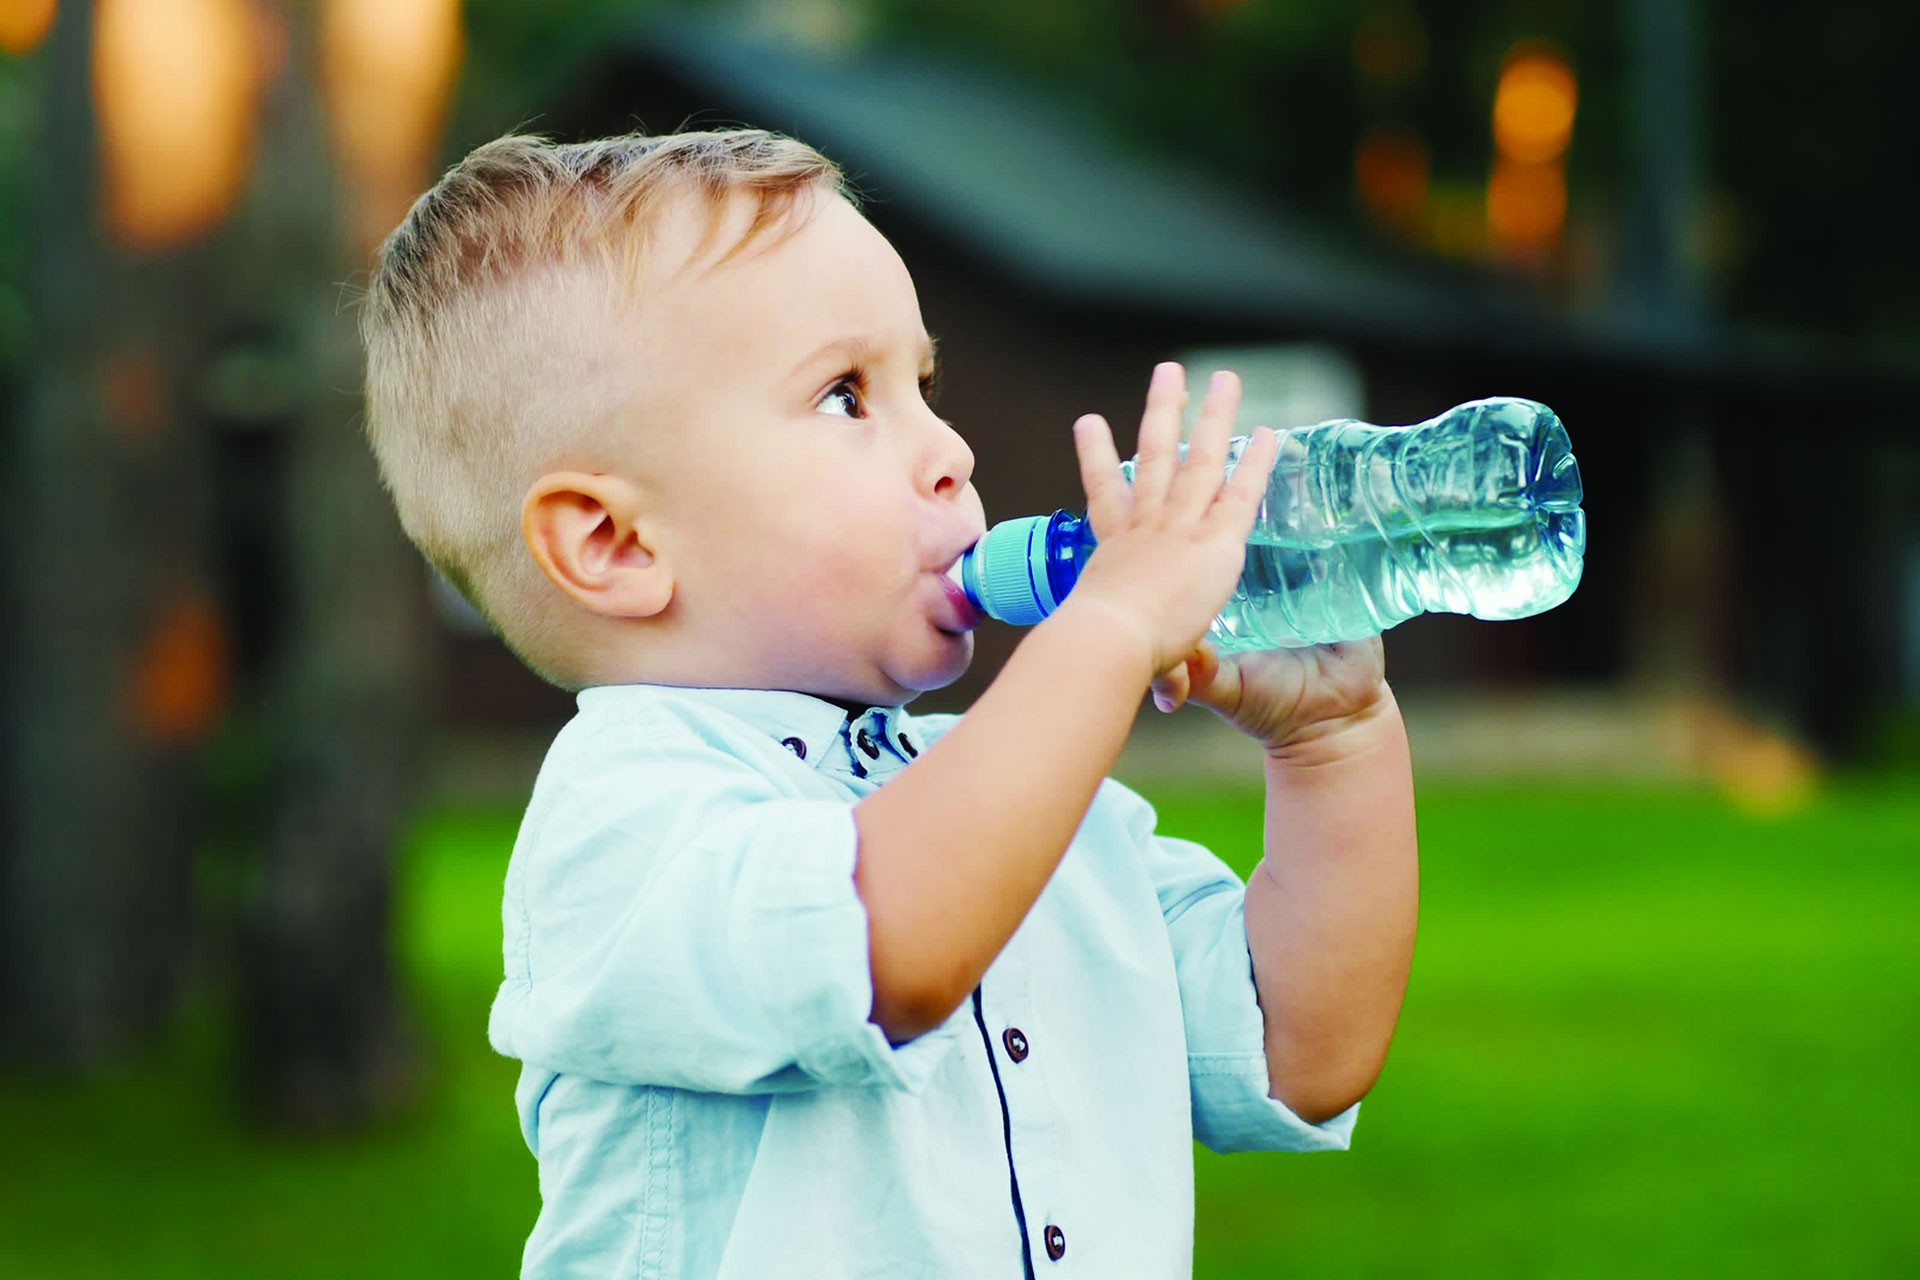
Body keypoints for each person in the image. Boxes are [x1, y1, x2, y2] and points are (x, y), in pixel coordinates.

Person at [358, 128, 1418, 1279]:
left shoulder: (1031, 807)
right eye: (843, 397)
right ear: (614, 543)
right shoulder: (624, 830)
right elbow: (891, 942)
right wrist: (1106, 628)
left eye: (924, 384)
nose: (952, 451)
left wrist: (1333, 741)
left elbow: (1301, 1044)